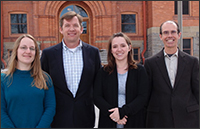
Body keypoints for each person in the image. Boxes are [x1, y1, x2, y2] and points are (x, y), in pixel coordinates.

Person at [40, 11, 101, 128]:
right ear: (61, 29)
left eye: (75, 25)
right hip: (57, 117)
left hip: (85, 117)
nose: (71, 29)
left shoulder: (93, 52)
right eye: (67, 25)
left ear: (81, 29)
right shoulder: (49, 54)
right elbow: (42, 85)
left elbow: (99, 83)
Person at [144, 20, 199, 128]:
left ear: (179, 35)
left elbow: (197, 91)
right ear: (160, 36)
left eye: (173, 32)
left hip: (188, 119)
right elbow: (147, 94)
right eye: (166, 32)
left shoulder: (192, 62)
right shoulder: (150, 63)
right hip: (159, 120)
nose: (170, 36)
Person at [93, 32, 150, 128]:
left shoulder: (139, 71)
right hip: (108, 121)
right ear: (111, 50)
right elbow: (97, 97)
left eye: (123, 45)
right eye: (115, 47)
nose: (119, 50)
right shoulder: (103, 72)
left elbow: (143, 97)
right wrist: (114, 115)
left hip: (134, 121)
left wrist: (122, 112)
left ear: (129, 48)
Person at [1, 34, 56, 128]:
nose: (28, 51)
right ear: (16, 51)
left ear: (36, 53)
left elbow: (50, 108)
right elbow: (1, 112)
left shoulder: (45, 78)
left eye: (32, 48)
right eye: (23, 47)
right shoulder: (3, 79)